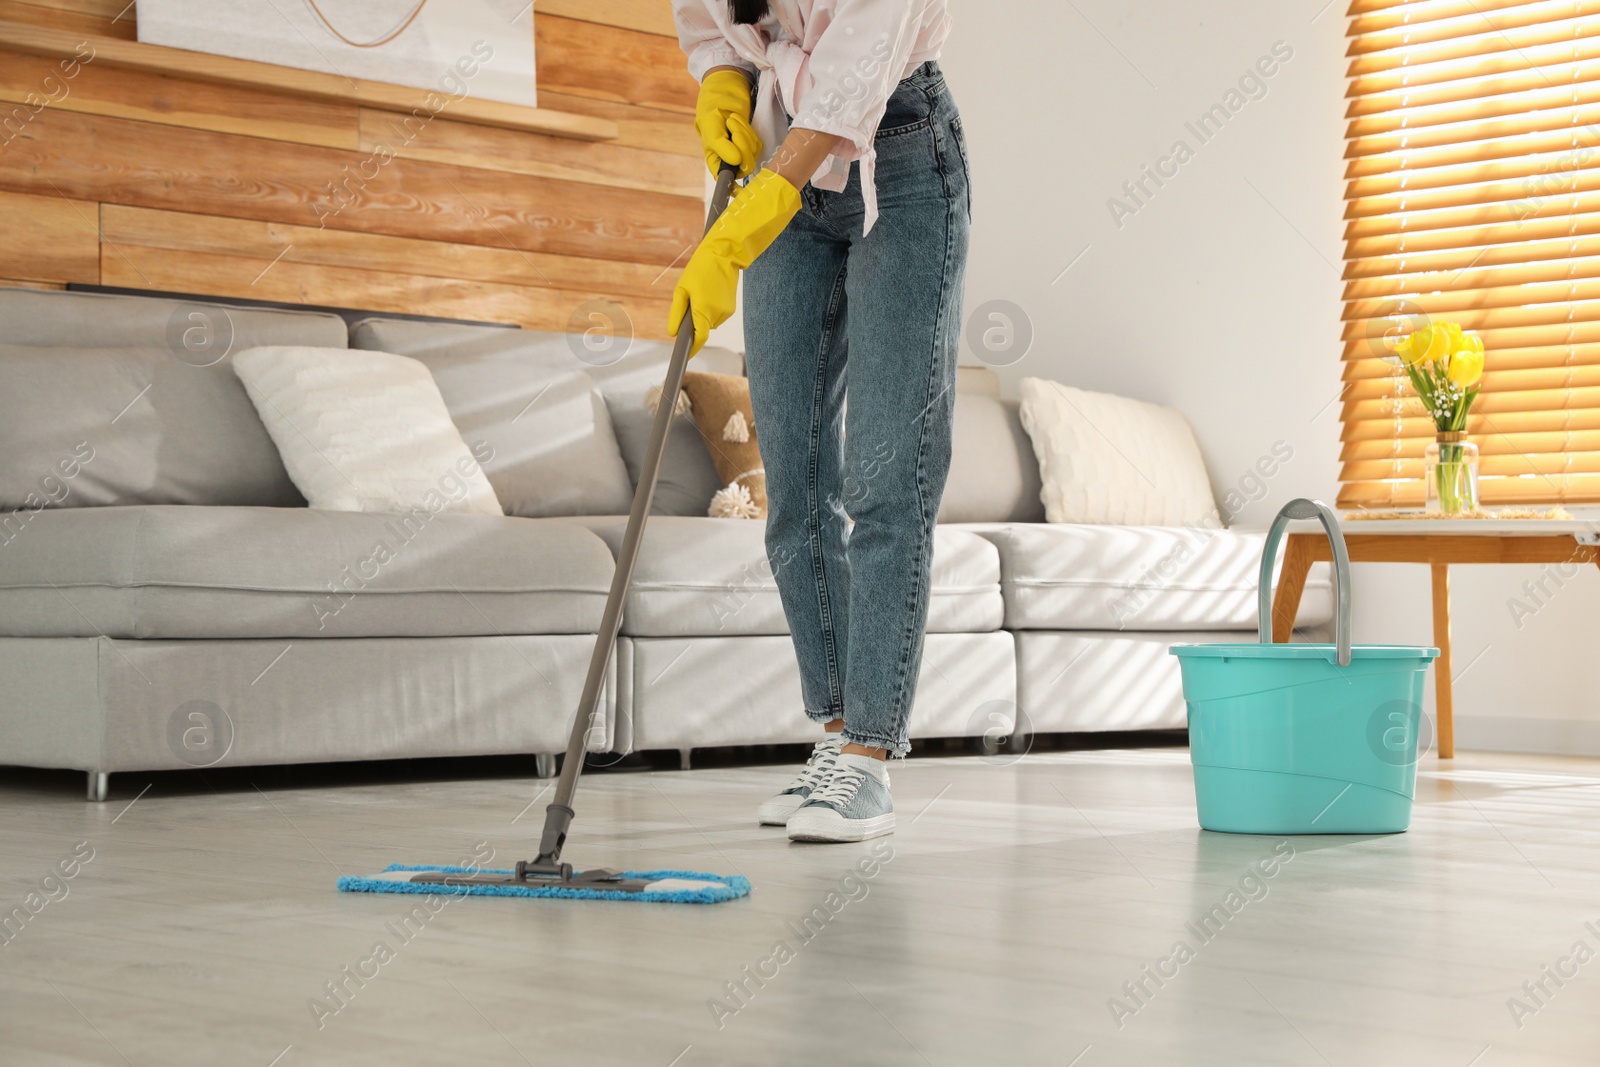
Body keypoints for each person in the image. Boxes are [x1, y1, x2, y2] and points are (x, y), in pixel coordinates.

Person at [669, 0, 967, 843]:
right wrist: (723, 83)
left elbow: (858, 68)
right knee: (791, 484)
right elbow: (707, 23)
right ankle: (834, 735)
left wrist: (746, 222)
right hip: (780, 145)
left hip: (901, 151)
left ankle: (870, 756)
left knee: (883, 473)